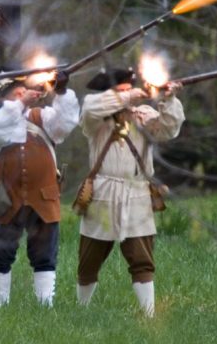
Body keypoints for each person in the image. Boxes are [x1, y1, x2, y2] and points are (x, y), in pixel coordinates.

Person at [76, 67, 184, 317]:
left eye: (130, 88)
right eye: (123, 90)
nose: (129, 94)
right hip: (103, 191)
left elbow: (169, 128)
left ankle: (148, 315)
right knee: (89, 261)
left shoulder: (143, 114)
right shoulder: (96, 115)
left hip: (137, 192)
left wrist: (168, 98)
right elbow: (92, 107)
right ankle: (81, 311)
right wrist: (134, 95)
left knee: (142, 258)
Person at [0, 72, 79, 307]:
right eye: (16, 93)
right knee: (2, 255)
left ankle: (45, 306)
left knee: (44, 255)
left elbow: (66, 123)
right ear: (5, 98)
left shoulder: (43, 117)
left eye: (22, 91)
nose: (21, 94)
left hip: (43, 196)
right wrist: (20, 105)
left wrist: (62, 91)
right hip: (5, 198)